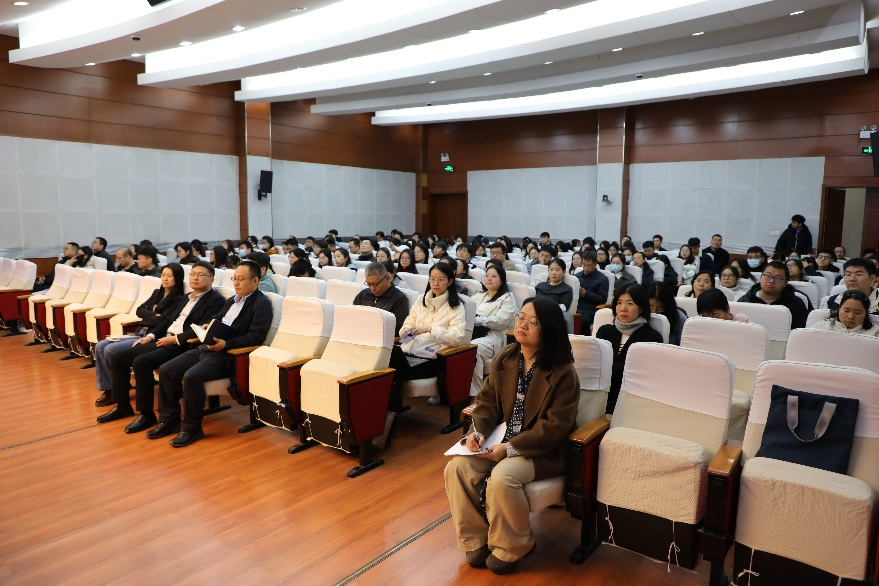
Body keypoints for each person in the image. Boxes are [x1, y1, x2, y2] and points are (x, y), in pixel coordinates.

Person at [446, 296, 578, 575]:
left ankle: (514, 544)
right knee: (456, 468)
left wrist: (510, 448)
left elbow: (555, 427)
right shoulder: (505, 358)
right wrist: (477, 433)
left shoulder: (563, 372)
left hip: (542, 450)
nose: (523, 325)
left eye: (534, 322)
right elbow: (486, 404)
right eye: (521, 317)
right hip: (501, 440)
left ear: (549, 329)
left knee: (503, 476)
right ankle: (475, 538)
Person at [146, 261, 273, 447]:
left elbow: (256, 336)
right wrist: (208, 325)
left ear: (255, 280)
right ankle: (169, 420)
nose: (236, 283)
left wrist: (226, 344)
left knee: (191, 376)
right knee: (167, 369)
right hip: (207, 348)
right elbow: (218, 318)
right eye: (234, 279)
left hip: (228, 355)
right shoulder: (232, 300)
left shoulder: (261, 304)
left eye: (241, 279)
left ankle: (192, 429)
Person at [96, 262, 225, 431]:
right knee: (118, 357)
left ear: (211, 279)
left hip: (182, 345)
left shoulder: (215, 300)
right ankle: (122, 405)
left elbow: (202, 329)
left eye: (200, 275)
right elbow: (168, 320)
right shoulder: (187, 297)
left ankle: (146, 414)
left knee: (141, 362)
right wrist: (150, 336)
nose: (195, 278)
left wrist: (175, 339)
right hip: (165, 339)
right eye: (193, 274)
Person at [92, 263, 186, 408]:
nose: (165, 278)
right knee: (100, 345)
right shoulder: (157, 292)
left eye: (169, 276)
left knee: (110, 350)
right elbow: (139, 310)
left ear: (177, 278)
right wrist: (155, 315)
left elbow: (164, 321)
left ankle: (116, 388)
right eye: (163, 275)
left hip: (150, 336)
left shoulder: (179, 299)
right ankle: (108, 387)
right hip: (139, 331)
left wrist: (149, 316)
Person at [389, 262, 466, 408]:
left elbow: (456, 338)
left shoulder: (456, 306)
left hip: (431, 357)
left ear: (450, 281)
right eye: (432, 279)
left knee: (394, 374)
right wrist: (405, 331)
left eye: (440, 279)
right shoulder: (421, 299)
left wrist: (431, 329)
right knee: (381, 369)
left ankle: (392, 414)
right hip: (408, 351)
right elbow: (409, 323)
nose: (435, 283)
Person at [596, 283, 663, 413]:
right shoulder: (604, 331)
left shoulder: (652, 337)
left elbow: (638, 373)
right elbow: (595, 365)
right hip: (601, 393)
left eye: (630, 303)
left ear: (641, 308)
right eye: (619, 303)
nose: (623, 309)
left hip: (630, 399)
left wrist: (608, 368)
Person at [469, 264, 518, 397]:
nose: (489, 278)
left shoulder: (507, 297)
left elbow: (501, 321)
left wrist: (477, 320)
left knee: (473, 349)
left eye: (494, 276)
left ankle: (476, 395)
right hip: (472, 332)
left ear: (502, 280)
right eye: (487, 275)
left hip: (493, 335)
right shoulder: (478, 295)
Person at [737, 260, 809, 329]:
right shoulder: (744, 301)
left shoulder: (796, 304)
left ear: (785, 283)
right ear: (761, 277)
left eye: (778, 278)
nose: (771, 281)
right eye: (768, 276)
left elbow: (799, 333)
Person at [353, 262, 410, 337]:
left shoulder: (400, 299)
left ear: (387, 278)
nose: (372, 288)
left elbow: (398, 329)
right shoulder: (362, 295)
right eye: (369, 284)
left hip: (382, 338)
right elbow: (353, 317)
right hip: (359, 335)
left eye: (376, 284)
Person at [811, 290, 879, 336]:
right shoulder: (821, 327)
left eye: (857, 312)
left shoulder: (875, 333)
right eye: (846, 311)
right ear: (839, 309)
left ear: (866, 313)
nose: (850, 316)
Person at [576, 250, 609, 335]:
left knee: (584, 321)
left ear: (595, 264)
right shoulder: (576, 277)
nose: (586, 268)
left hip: (590, 310)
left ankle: (583, 341)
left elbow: (602, 299)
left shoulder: (602, 279)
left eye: (589, 265)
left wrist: (586, 293)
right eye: (584, 265)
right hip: (575, 307)